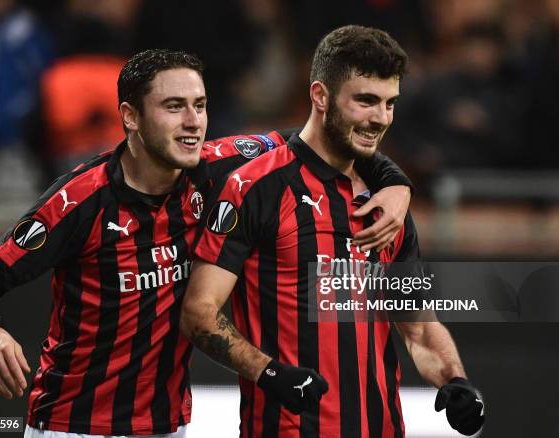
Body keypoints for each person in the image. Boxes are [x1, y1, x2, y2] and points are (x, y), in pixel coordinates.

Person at [0, 49, 412, 437]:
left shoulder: (217, 167)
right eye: (174, 106)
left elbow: (317, 139)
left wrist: (394, 181)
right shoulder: (79, 200)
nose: (194, 122)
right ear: (131, 117)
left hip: (169, 425)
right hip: (74, 424)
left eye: (200, 104)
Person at [180, 26, 485, 438]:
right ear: (320, 96)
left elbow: (418, 326)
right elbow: (200, 313)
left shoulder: (389, 205)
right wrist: (271, 374)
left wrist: (455, 381)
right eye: (365, 101)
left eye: (390, 103)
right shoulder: (256, 188)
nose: (380, 118)